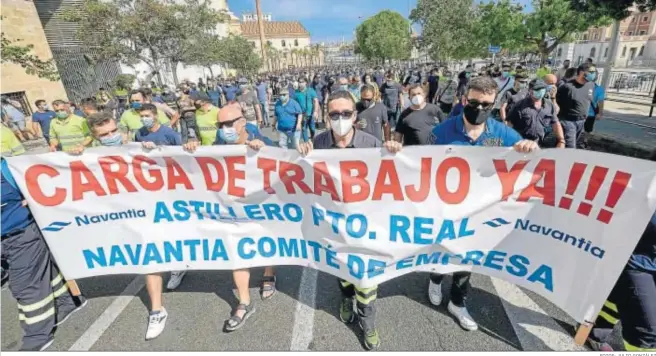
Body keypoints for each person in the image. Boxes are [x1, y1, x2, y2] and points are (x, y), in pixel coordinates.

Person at [427, 76, 539, 332]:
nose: (479, 109)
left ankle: (457, 302)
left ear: (493, 104)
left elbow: (531, 157)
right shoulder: (441, 132)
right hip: (446, 208)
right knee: (440, 250)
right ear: (464, 100)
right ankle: (434, 279)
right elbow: (421, 167)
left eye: (486, 105)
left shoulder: (502, 133)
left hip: (480, 211)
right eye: (474, 102)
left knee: (467, 257)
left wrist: (529, 146)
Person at [296, 90, 402, 351]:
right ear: (326, 116)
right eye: (334, 114)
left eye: (345, 113)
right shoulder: (318, 143)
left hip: (367, 227)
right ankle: (345, 298)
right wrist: (301, 152)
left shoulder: (372, 144)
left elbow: (396, 179)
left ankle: (368, 323)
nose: (340, 118)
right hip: (334, 226)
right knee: (342, 272)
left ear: (355, 116)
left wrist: (395, 152)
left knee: (366, 281)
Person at [182, 106, 273, 332]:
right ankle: (244, 302)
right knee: (236, 251)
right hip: (231, 210)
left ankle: (269, 275)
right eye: (220, 125)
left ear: (242, 122)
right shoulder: (217, 146)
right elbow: (198, 165)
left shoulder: (259, 139)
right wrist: (192, 149)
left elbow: (280, 165)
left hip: (259, 208)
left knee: (269, 242)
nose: (225, 129)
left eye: (229, 124)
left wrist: (262, 150)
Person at [1, 154, 86, 351]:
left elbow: (53, 181)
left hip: (21, 234)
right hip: (7, 238)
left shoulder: (10, 169)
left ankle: (37, 335)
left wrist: (29, 197)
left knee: (25, 286)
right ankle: (68, 301)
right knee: (44, 269)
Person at [586, 165, 656, 352]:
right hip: (635, 261)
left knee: (617, 298)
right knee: (648, 333)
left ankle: (592, 331)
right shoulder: (642, 181)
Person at [506, 79, 566, 148]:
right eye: (537, 89)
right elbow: (509, 124)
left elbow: (555, 123)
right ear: (530, 90)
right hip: (523, 144)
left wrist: (561, 140)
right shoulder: (519, 105)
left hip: (540, 144)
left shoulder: (549, 105)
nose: (540, 91)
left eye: (542, 89)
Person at [556, 62, 596, 148]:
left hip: (581, 122)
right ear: (581, 72)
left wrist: (597, 111)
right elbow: (556, 102)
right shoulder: (567, 87)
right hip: (568, 121)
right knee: (570, 147)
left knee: (569, 145)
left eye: (594, 72)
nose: (593, 74)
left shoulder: (591, 85)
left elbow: (588, 100)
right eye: (591, 72)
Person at [580, 70, 606, 148]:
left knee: (582, 128)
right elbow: (600, 102)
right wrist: (600, 113)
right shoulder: (599, 89)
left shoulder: (581, 86)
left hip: (581, 111)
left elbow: (601, 102)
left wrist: (600, 113)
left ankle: (581, 141)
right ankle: (584, 142)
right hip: (589, 113)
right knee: (587, 129)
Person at [295, 77, 320, 142]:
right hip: (302, 115)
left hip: (311, 114)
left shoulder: (310, 90)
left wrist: (315, 111)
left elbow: (316, 101)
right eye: (299, 82)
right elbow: (294, 104)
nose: (301, 84)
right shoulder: (296, 93)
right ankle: (306, 143)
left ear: (305, 82)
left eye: (302, 82)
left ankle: (312, 137)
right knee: (304, 129)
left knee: (312, 128)